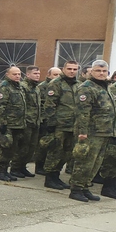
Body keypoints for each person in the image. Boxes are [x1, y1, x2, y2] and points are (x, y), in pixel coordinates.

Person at [68, 60, 116, 202]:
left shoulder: (105, 87)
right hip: (91, 132)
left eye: (104, 71)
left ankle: (84, 187)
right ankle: (76, 189)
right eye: (98, 71)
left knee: (96, 163)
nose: (101, 73)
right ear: (92, 72)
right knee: (85, 161)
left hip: (105, 131)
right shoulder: (87, 88)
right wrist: (83, 132)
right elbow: (82, 112)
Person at [41, 61, 80, 189]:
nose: (72, 71)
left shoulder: (78, 85)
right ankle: (50, 177)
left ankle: (56, 175)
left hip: (72, 125)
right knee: (55, 151)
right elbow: (50, 105)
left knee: (67, 153)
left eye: (75, 69)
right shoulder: (55, 84)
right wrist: (51, 123)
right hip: (59, 125)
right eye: (69, 68)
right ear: (64, 69)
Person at [0, 66, 28, 182]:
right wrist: (3, 124)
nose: (17, 76)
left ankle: (5, 171)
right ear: (7, 75)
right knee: (3, 148)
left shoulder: (19, 87)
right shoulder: (4, 87)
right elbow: (0, 107)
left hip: (17, 124)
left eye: (19, 74)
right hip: (7, 125)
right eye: (14, 74)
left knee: (12, 150)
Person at [15, 65, 43, 177]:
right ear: (28, 74)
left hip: (35, 121)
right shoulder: (23, 86)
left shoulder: (36, 87)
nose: (37, 76)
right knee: (23, 147)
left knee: (31, 148)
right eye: (35, 74)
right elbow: (21, 105)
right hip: (26, 121)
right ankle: (15, 168)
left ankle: (23, 167)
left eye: (39, 74)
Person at [34, 67, 63, 174]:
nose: (57, 77)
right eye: (55, 75)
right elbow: (39, 104)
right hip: (44, 120)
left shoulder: (60, 86)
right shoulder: (42, 87)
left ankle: (47, 166)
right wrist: (42, 119)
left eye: (59, 75)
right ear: (48, 75)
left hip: (56, 120)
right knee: (42, 145)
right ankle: (39, 166)